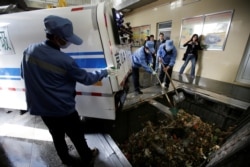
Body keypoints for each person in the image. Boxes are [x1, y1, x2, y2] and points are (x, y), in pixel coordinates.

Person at [20, 15, 115, 167]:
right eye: (67, 38)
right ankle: (87, 156)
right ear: (57, 37)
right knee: (77, 136)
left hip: (43, 110)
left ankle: (66, 160)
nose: (69, 42)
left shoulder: (28, 51)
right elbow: (87, 79)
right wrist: (105, 71)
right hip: (63, 110)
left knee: (57, 136)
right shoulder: (65, 61)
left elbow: (23, 75)